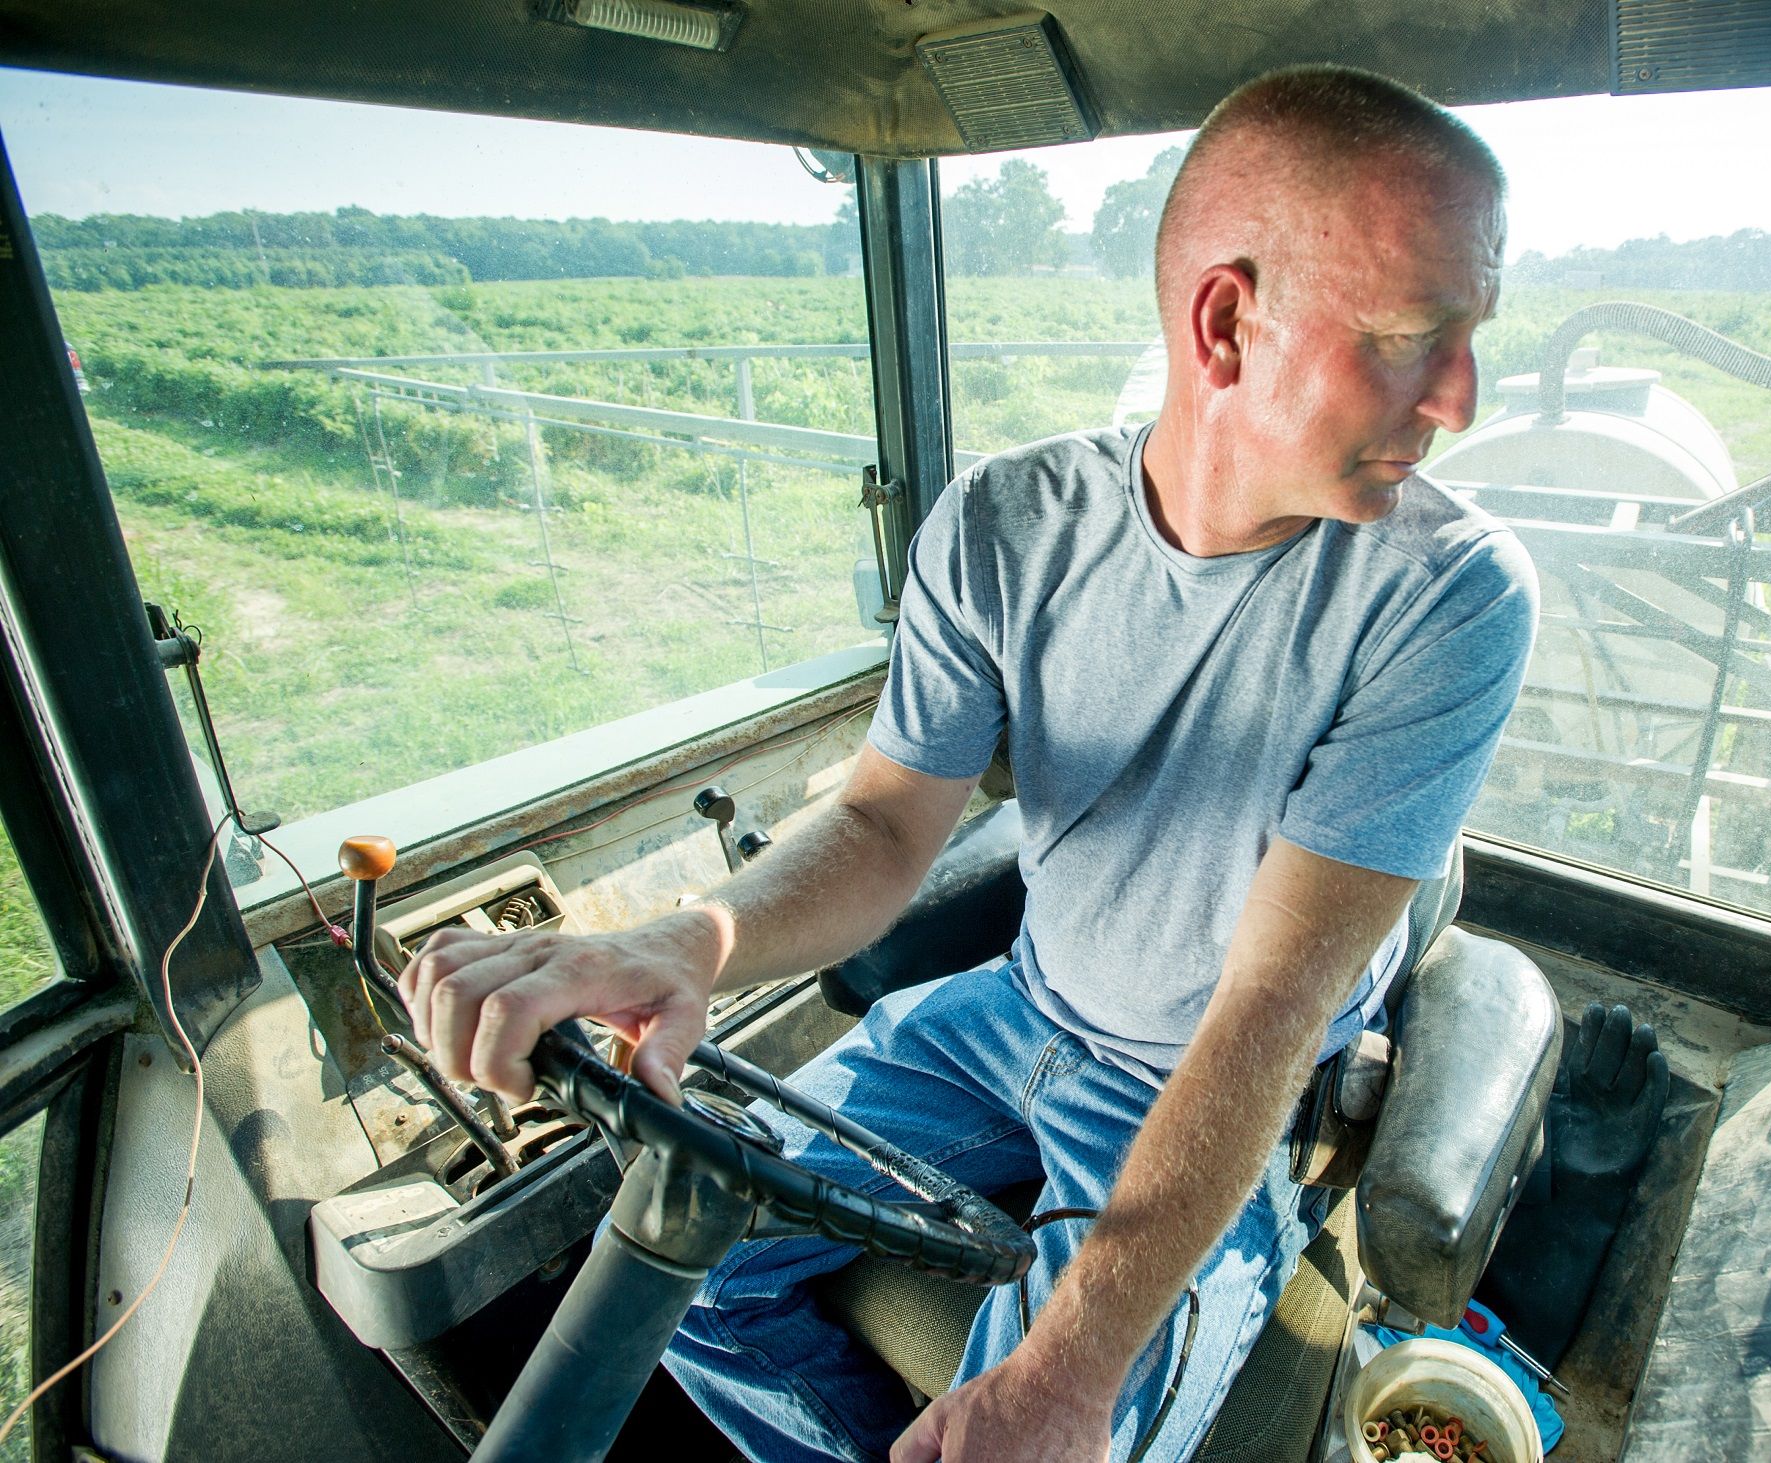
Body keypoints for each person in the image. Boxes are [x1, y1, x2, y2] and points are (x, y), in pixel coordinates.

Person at [400, 63, 1535, 1463]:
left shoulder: (1452, 596)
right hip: (1011, 1012)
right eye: (1418, 334)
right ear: (1228, 324)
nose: (1463, 400)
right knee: (667, 1279)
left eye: (1470, 335)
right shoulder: (1004, 524)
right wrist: (693, 942)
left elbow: (1270, 1004)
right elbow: (883, 827)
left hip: (1224, 1084)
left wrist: (1062, 1378)